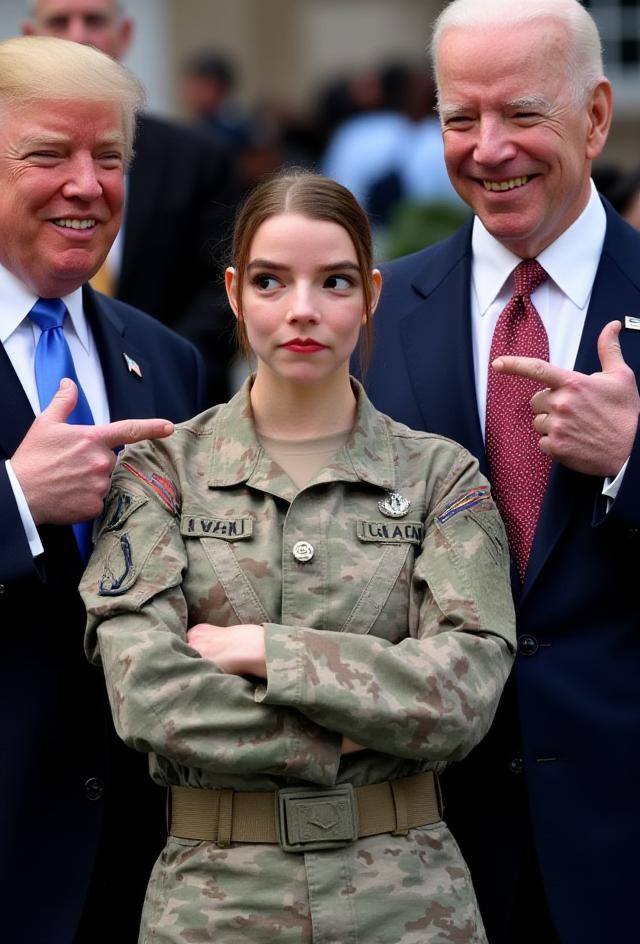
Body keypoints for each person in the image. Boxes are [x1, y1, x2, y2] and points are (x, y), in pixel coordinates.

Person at [80, 171, 516, 944]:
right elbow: (146, 694)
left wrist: (267, 652)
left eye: (335, 281)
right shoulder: (160, 473)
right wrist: (355, 725)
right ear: (235, 292)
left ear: (372, 294)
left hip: (409, 902)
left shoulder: (440, 477)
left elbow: (463, 694)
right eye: (271, 281)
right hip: (214, 903)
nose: (303, 310)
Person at [363, 2, 640, 943]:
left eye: (522, 114)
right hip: (429, 850)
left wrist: (632, 464)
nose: (488, 149)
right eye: (458, 119)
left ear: (596, 117)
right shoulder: (378, 308)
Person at [0, 35, 208, 944]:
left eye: (110, 157)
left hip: (144, 869)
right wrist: (12, 502)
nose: (87, 185)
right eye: (49, 154)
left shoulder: (166, 358)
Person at [23, 0, 240, 405]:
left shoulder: (197, 157)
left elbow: (222, 284)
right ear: (29, 36)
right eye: (59, 21)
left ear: (124, 36)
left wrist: (155, 366)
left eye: (109, 158)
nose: (78, 36)